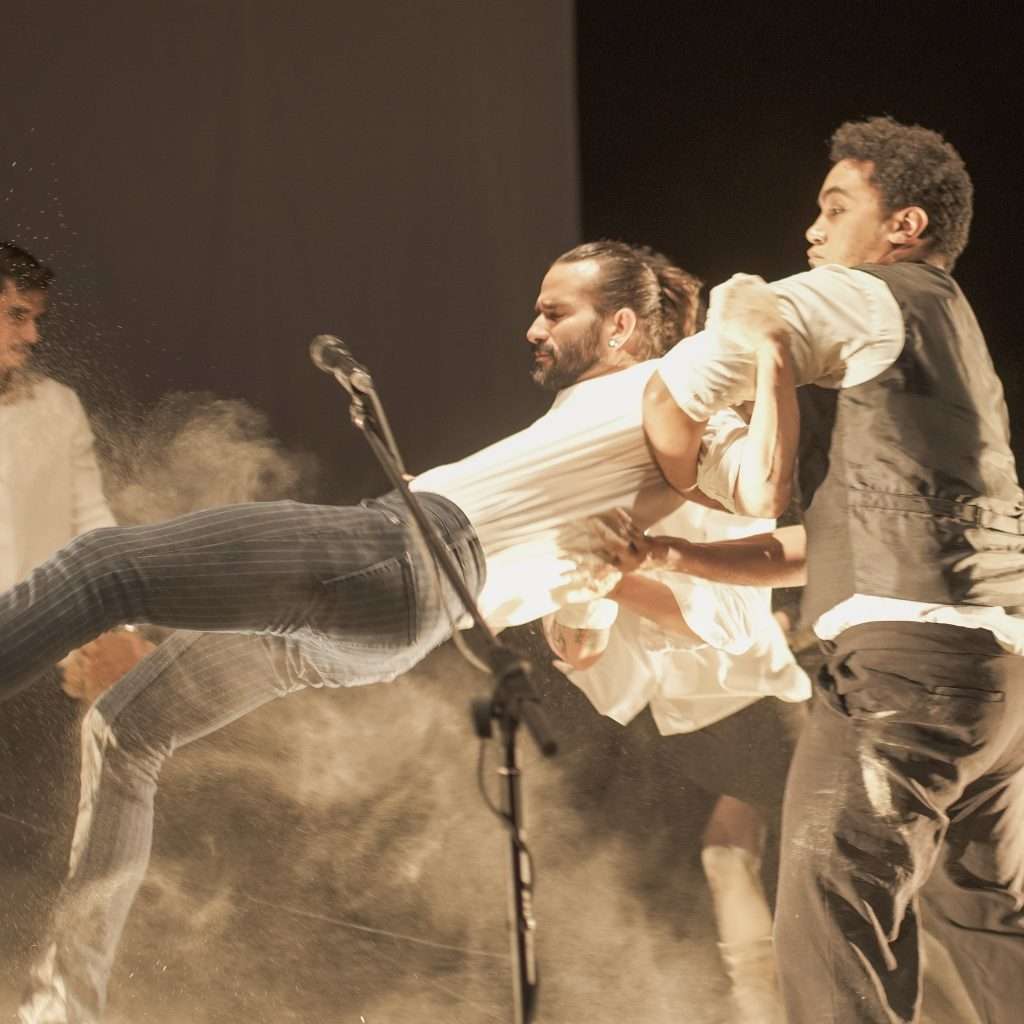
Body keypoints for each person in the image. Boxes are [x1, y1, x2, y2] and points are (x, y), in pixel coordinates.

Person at [2, 240, 793, 1023]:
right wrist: (594, 589)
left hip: (395, 558)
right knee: (127, 727)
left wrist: (769, 349)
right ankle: (62, 1008)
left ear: (621, 327)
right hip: (390, 622)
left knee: (104, 566)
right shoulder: (604, 428)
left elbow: (763, 495)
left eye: (555, 311)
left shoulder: (671, 397)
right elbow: (578, 645)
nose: (532, 328)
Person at [594, 117, 1024, 1024]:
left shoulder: (874, 295)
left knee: (831, 925)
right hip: (996, 685)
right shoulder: (945, 357)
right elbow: (822, 551)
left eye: (836, 206)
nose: (814, 232)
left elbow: (737, 335)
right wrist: (672, 553)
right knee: (986, 922)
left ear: (903, 225)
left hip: (908, 677)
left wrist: (628, 415)